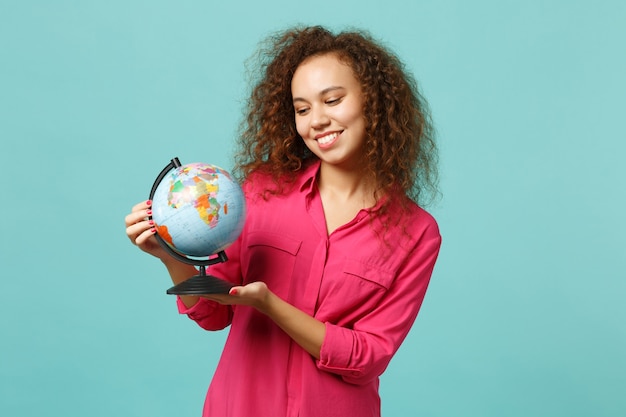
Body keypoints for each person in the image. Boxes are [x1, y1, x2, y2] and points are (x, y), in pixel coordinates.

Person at [125, 25, 441, 417]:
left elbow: (368, 358)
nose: (318, 120)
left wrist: (271, 306)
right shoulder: (260, 191)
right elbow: (213, 313)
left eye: (333, 100)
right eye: (303, 109)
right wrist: (170, 257)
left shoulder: (416, 232)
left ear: (373, 101)